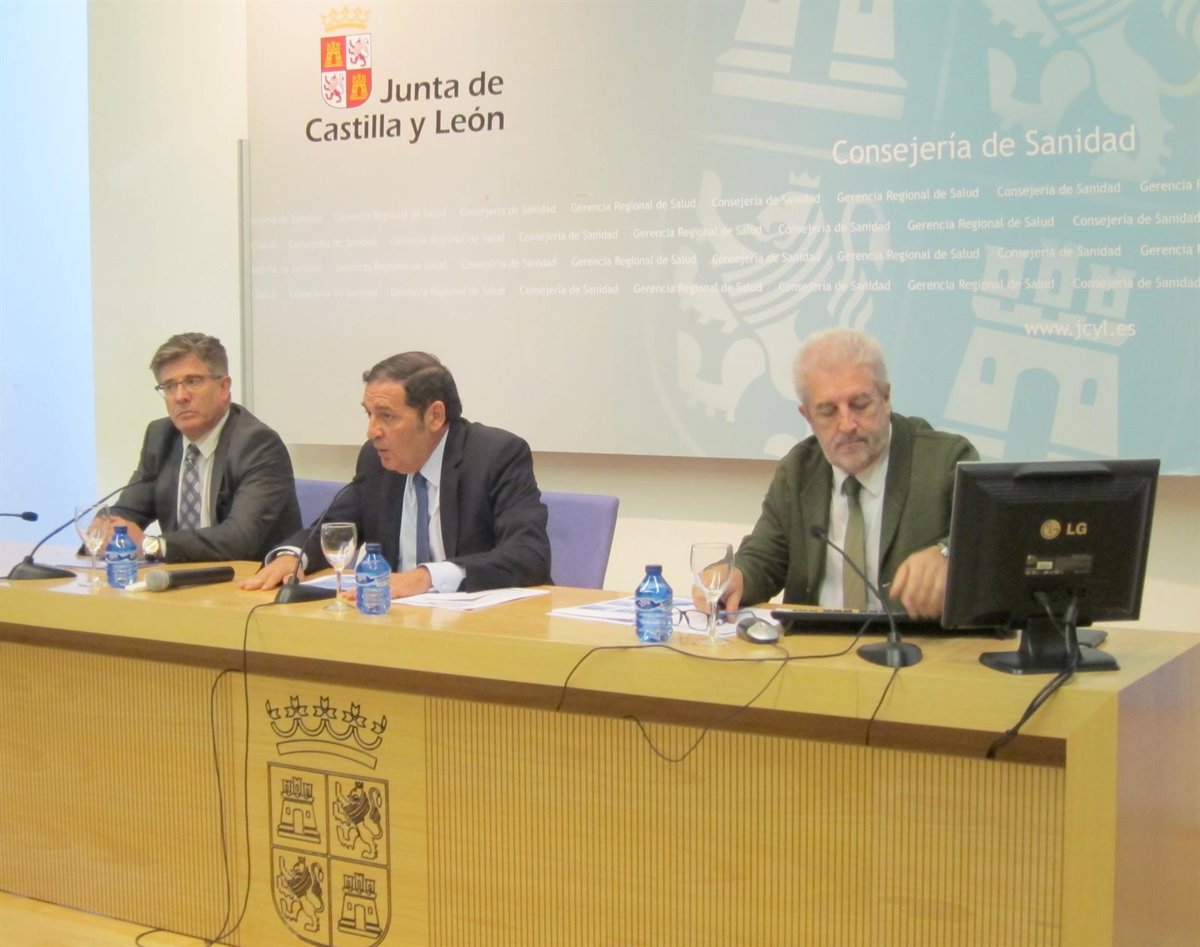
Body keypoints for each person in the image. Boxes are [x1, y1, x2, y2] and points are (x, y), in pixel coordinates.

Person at [704, 327, 978, 620]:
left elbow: (988, 548)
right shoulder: (797, 471)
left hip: (913, 643)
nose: (847, 424)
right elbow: (764, 556)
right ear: (808, 416)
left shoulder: (945, 462)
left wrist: (947, 555)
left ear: (885, 398)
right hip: (817, 643)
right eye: (828, 411)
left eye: (859, 405)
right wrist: (737, 576)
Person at [242, 351, 551, 598]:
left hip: (480, 628)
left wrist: (426, 576)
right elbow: (335, 528)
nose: (372, 431)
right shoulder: (376, 461)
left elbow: (528, 555)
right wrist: (293, 557)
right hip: (397, 621)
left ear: (435, 416)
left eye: (387, 416)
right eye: (369, 414)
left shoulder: (495, 456)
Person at [104, 332, 302, 562]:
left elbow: (240, 538)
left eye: (193, 381)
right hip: (177, 577)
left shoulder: (257, 444)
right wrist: (106, 528)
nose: (180, 396)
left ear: (224, 387)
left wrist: (153, 545)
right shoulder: (160, 437)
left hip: (249, 577)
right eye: (169, 386)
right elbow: (128, 511)